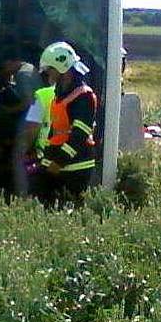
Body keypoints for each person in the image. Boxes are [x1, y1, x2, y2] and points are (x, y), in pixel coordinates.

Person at [30, 41, 97, 204]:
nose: (48, 75)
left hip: (74, 166)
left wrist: (58, 162)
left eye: (50, 70)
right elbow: (56, 131)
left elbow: (79, 135)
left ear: (62, 69)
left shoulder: (83, 97)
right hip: (55, 162)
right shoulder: (59, 94)